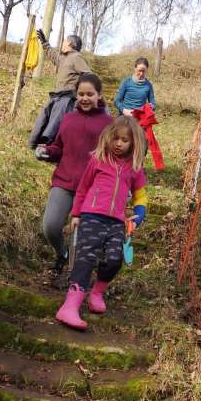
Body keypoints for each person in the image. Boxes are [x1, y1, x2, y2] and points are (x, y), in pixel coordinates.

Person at [54, 116, 147, 330]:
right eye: (115, 138)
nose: (119, 143)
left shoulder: (134, 168)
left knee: (114, 260)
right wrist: (76, 214)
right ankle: (69, 306)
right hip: (91, 216)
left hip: (116, 222)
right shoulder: (98, 159)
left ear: (133, 143)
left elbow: (140, 196)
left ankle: (96, 292)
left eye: (124, 140)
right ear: (108, 138)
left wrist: (140, 213)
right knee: (85, 259)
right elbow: (83, 188)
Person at [36, 73, 112, 280]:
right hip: (64, 181)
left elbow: (115, 156)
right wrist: (47, 151)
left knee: (87, 237)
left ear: (99, 95)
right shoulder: (68, 119)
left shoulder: (109, 124)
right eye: (81, 94)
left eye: (90, 94)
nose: (85, 98)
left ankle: (79, 277)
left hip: (93, 188)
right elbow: (59, 147)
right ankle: (63, 254)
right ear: (75, 95)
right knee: (50, 227)